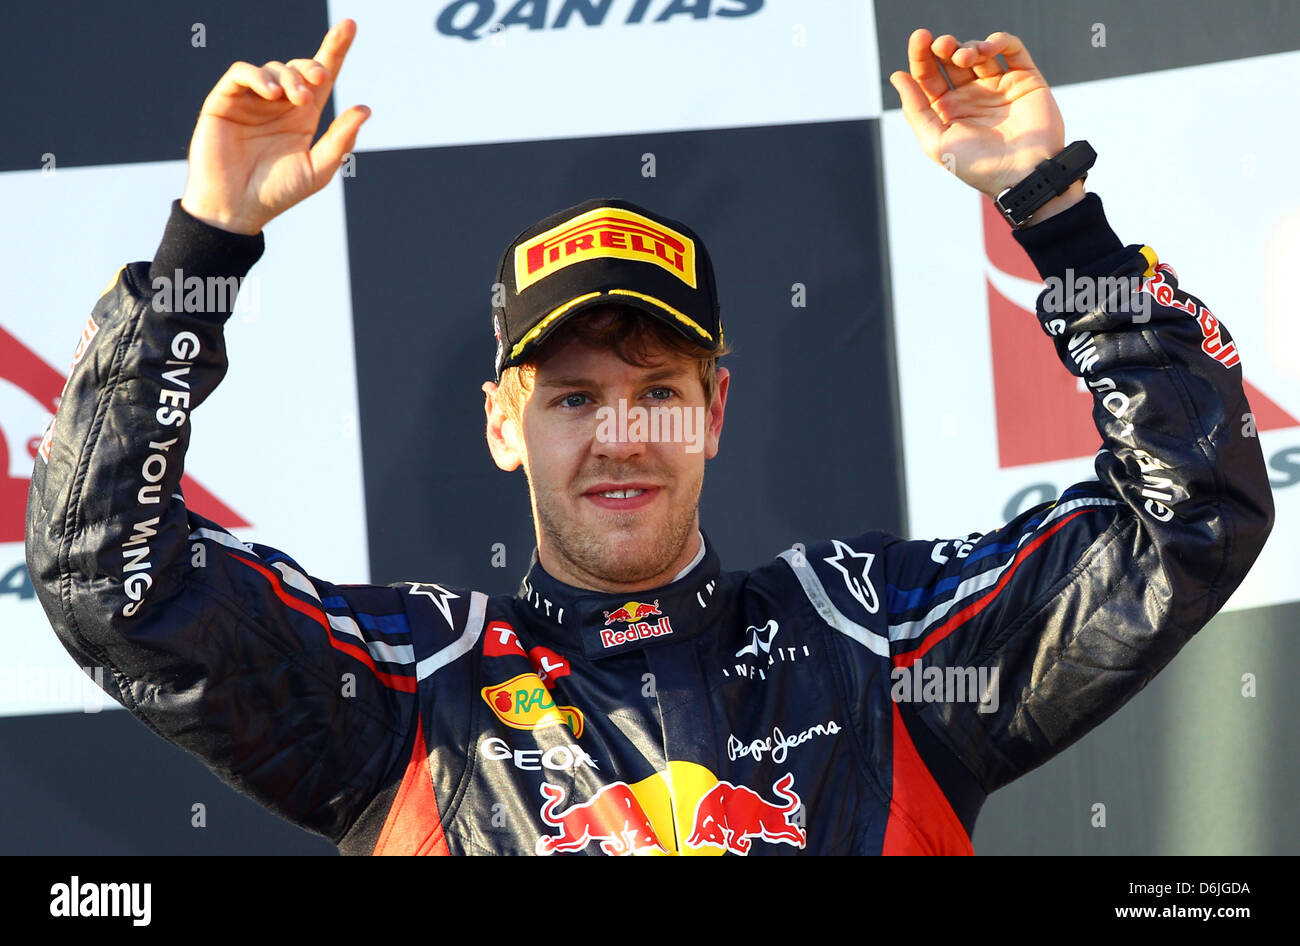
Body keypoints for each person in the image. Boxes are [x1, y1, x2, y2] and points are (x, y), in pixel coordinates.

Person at [25, 20, 1273, 856]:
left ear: (716, 411)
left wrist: (1053, 210)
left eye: (657, 389)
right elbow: (104, 579)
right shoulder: (409, 688)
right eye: (571, 397)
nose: (620, 435)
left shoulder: (873, 647)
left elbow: (1195, 512)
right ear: (502, 426)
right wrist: (205, 244)